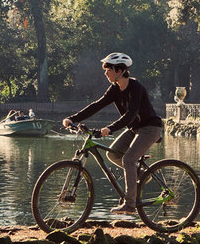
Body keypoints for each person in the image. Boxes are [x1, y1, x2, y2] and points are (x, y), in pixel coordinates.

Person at [62, 52, 163, 214]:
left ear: (119, 71)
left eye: (108, 70)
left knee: (129, 159)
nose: (105, 73)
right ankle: (142, 175)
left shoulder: (136, 88)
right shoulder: (115, 89)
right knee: (113, 155)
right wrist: (72, 118)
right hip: (134, 129)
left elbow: (130, 114)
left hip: (151, 128)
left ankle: (130, 204)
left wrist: (110, 128)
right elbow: (97, 105)